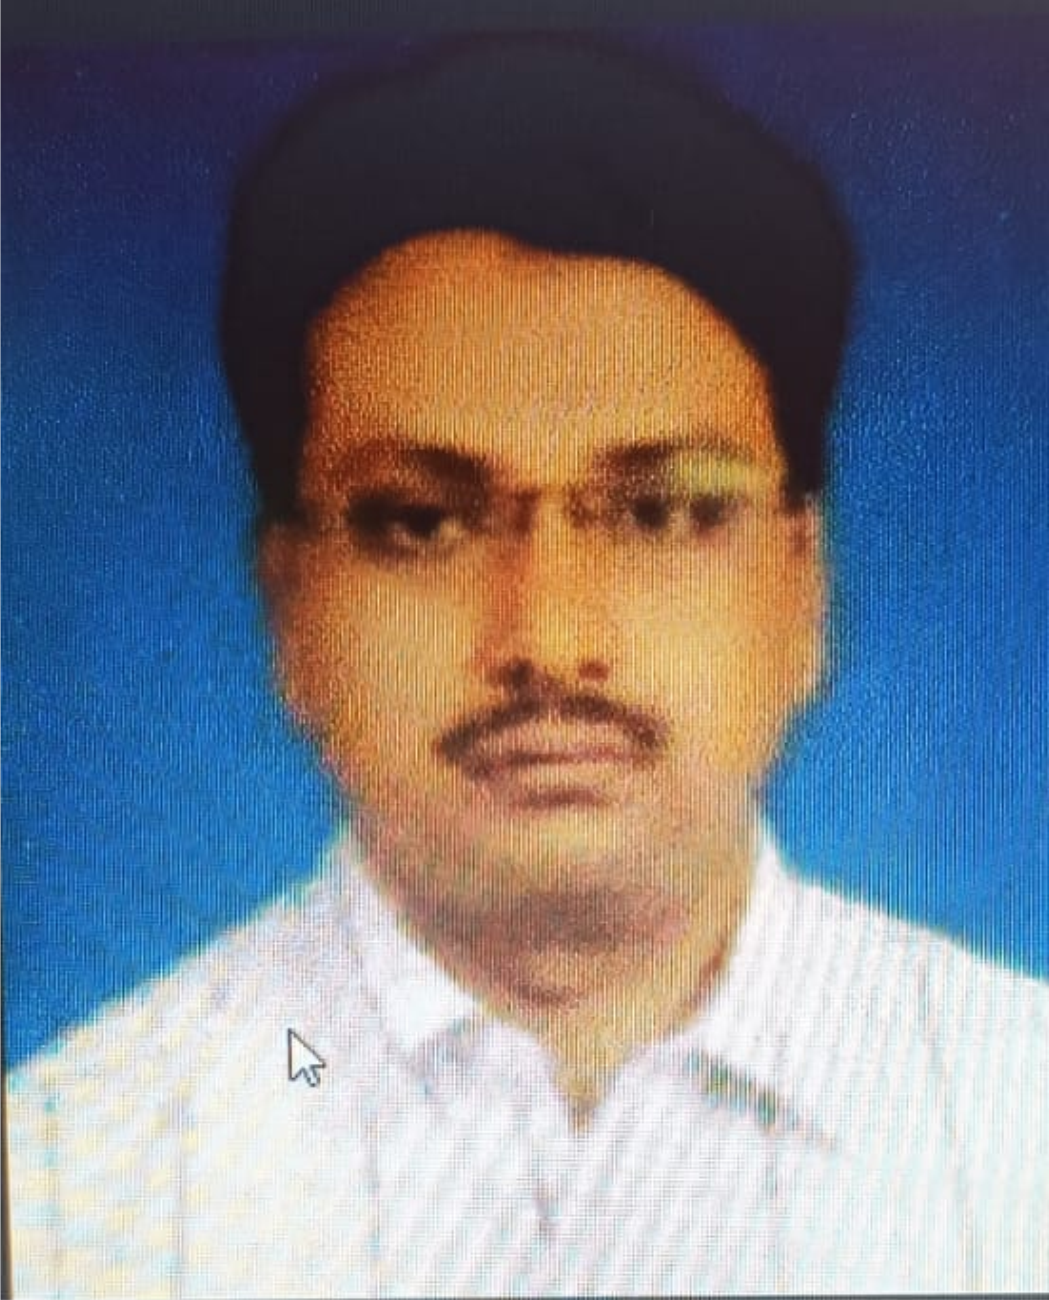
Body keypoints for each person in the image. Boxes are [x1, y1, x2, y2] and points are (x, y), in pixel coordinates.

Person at [7, 36, 1048, 1298]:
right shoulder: (58, 1189)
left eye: (661, 513)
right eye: (419, 523)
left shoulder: (1016, 1123)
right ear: (288, 604)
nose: (546, 639)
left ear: (800, 589)